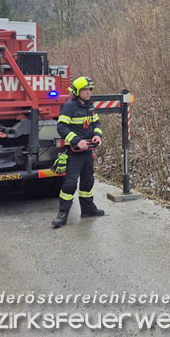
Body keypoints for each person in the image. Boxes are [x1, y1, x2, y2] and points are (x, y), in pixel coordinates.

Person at [52, 76, 105, 228]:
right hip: (74, 152)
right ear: (77, 92)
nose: (88, 93)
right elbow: (62, 127)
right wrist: (76, 141)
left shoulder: (90, 106)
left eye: (89, 90)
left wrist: (97, 135)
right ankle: (62, 215)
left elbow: (96, 123)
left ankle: (88, 209)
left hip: (88, 151)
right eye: (85, 90)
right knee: (70, 184)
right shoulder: (69, 106)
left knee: (88, 181)